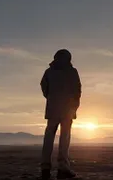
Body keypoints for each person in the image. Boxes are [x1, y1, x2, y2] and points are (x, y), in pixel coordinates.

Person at [40, 49, 81, 179]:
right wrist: (74, 107)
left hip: (53, 109)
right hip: (67, 110)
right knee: (64, 139)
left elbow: (43, 86)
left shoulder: (49, 72)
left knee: (48, 138)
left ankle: (45, 168)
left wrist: (51, 98)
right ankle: (63, 168)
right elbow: (77, 91)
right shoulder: (72, 72)